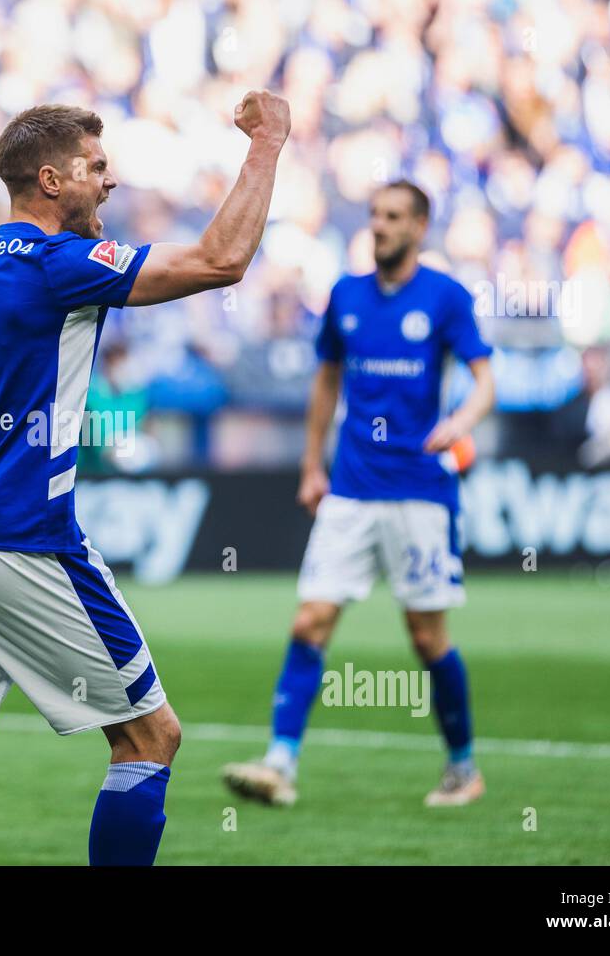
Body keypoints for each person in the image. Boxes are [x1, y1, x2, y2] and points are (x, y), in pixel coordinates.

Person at [0, 91, 291, 865]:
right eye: (98, 168)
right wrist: (267, 145)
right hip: (27, 540)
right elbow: (219, 261)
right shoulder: (58, 263)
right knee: (148, 736)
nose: (111, 183)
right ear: (54, 180)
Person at [222, 181, 496, 808]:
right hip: (350, 487)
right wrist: (311, 465)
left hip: (419, 492)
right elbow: (326, 381)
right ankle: (280, 763)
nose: (379, 227)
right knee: (310, 619)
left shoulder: (446, 298)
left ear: (420, 227)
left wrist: (461, 422)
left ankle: (462, 768)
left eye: (393, 217)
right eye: (375, 216)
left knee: (427, 637)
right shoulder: (345, 296)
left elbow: (486, 383)